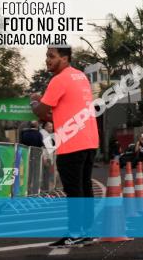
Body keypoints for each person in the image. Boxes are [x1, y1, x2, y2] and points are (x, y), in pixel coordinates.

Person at [30, 46, 100, 248]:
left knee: (74, 190)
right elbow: (64, 111)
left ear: (65, 58)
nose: (47, 60)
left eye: (52, 56)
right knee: (85, 187)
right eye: (46, 57)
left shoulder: (58, 80)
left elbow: (42, 112)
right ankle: (86, 232)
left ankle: (75, 233)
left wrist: (34, 102)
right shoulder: (80, 77)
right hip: (90, 139)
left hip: (71, 142)